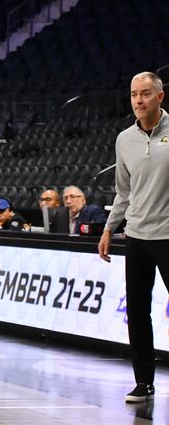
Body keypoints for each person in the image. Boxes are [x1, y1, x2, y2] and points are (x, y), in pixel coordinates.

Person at [98, 71, 169, 403]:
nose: (138, 101)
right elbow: (122, 192)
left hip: (168, 235)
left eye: (145, 94)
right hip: (137, 236)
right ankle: (144, 382)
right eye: (133, 95)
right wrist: (110, 227)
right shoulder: (124, 139)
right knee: (138, 312)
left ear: (160, 97)